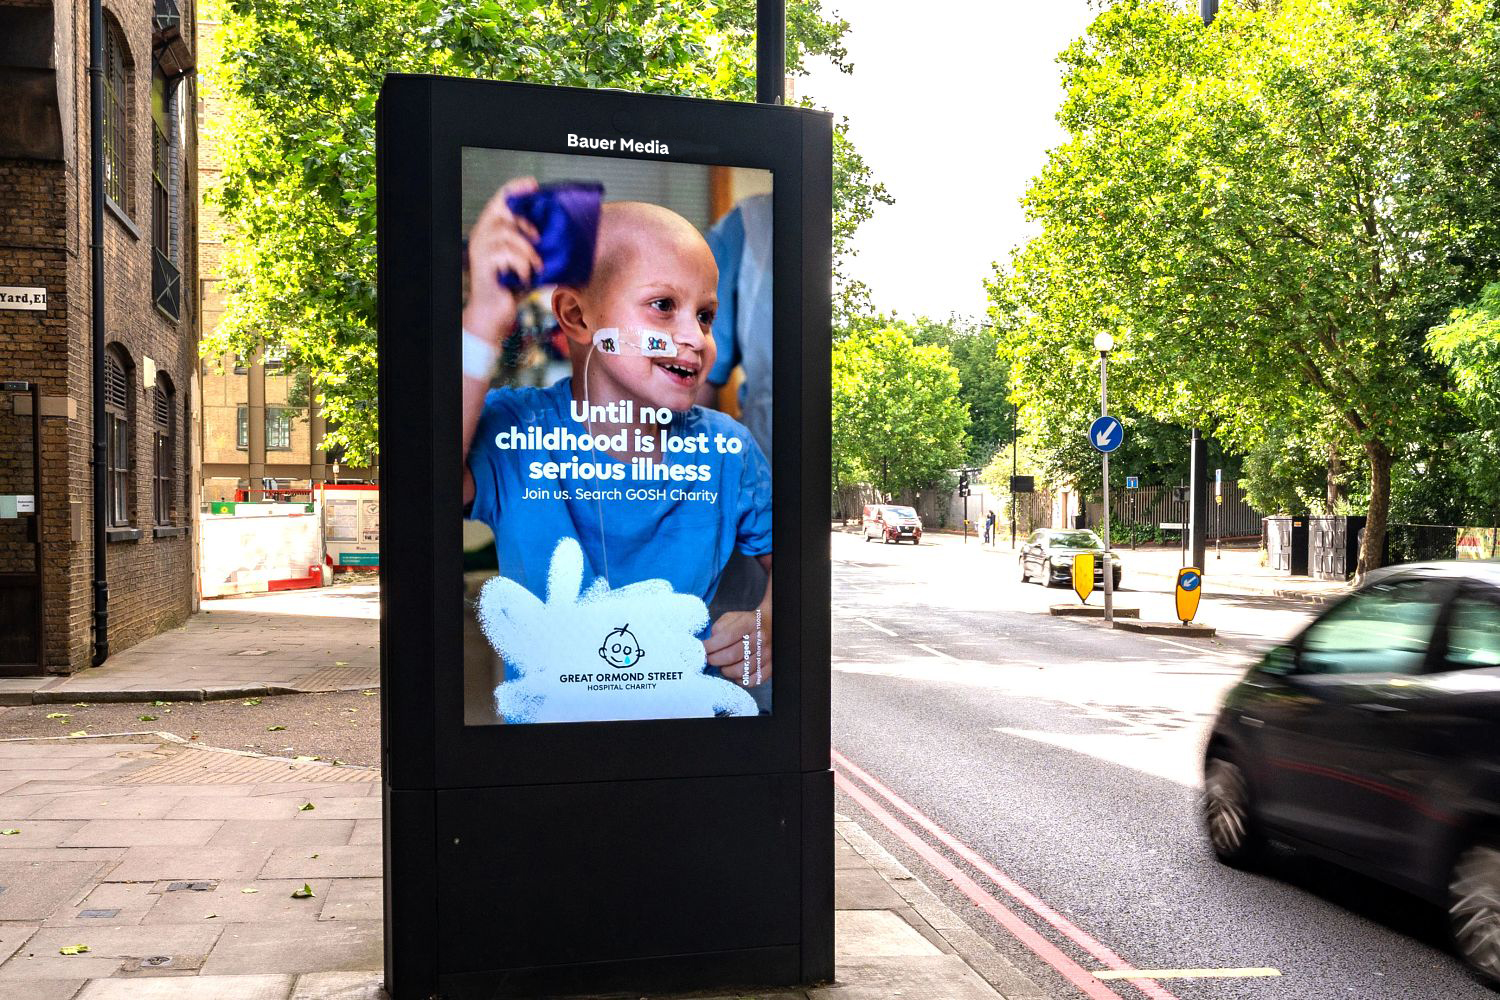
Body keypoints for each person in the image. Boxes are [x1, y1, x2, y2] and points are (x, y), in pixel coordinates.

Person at [461, 177, 772, 686]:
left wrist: (770, 621)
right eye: (663, 306)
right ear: (576, 316)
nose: (696, 338)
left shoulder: (729, 451)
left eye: (706, 316)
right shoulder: (513, 431)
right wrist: (482, 322)